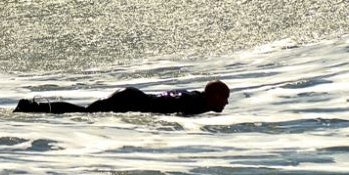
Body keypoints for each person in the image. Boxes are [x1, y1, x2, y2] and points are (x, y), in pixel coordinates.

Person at [15, 80, 229, 115]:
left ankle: (33, 108)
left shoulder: (198, 101)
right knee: (85, 112)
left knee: (85, 111)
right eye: (225, 98)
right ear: (215, 95)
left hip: (132, 97)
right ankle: (32, 108)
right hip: (129, 100)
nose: (227, 103)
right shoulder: (193, 103)